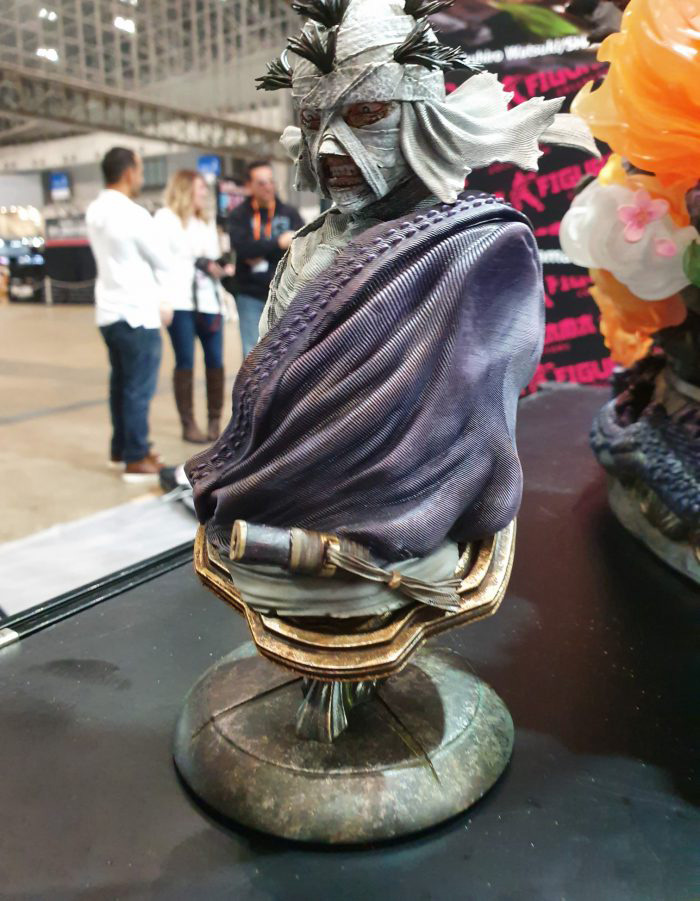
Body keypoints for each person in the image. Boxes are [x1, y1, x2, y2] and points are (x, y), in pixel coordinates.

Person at [87, 147, 172, 483]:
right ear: (128, 173)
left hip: (108, 311)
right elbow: (162, 258)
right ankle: (136, 458)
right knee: (138, 388)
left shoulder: (95, 210)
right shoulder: (133, 214)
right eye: (139, 170)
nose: (140, 177)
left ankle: (121, 449)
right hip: (136, 313)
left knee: (120, 384)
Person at [155, 171, 234, 443]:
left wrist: (219, 267)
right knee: (185, 361)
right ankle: (188, 423)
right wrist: (162, 300)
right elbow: (159, 263)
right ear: (186, 188)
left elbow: (212, 257)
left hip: (210, 301)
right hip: (180, 302)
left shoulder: (205, 222)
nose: (204, 193)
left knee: (215, 360)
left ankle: (214, 421)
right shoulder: (165, 219)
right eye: (200, 187)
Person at [227, 161, 303, 357]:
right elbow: (243, 249)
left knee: (286, 353)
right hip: (250, 294)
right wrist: (278, 243)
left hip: (285, 294)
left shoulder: (289, 213)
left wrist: (259, 249)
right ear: (249, 186)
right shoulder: (239, 215)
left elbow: (301, 247)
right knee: (252, 353)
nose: (268, 187)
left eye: (270, 181)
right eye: (261, 183)